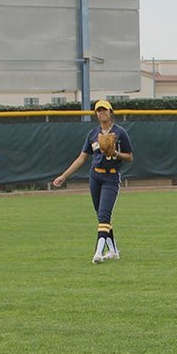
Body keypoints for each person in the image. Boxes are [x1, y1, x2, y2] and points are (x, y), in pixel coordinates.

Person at [51, 99, 134, 262]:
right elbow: (81, 158)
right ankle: (114, 251)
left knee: (104, 215)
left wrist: (116, 154)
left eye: (104, 110)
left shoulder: (120, 132)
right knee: (101, 216)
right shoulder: (92, 134)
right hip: (95, 177)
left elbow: (130, 157)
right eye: (98, 110)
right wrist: (64, 176)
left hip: (111, 177)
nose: (101, 113)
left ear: (110, 112)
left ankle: (98, 252)